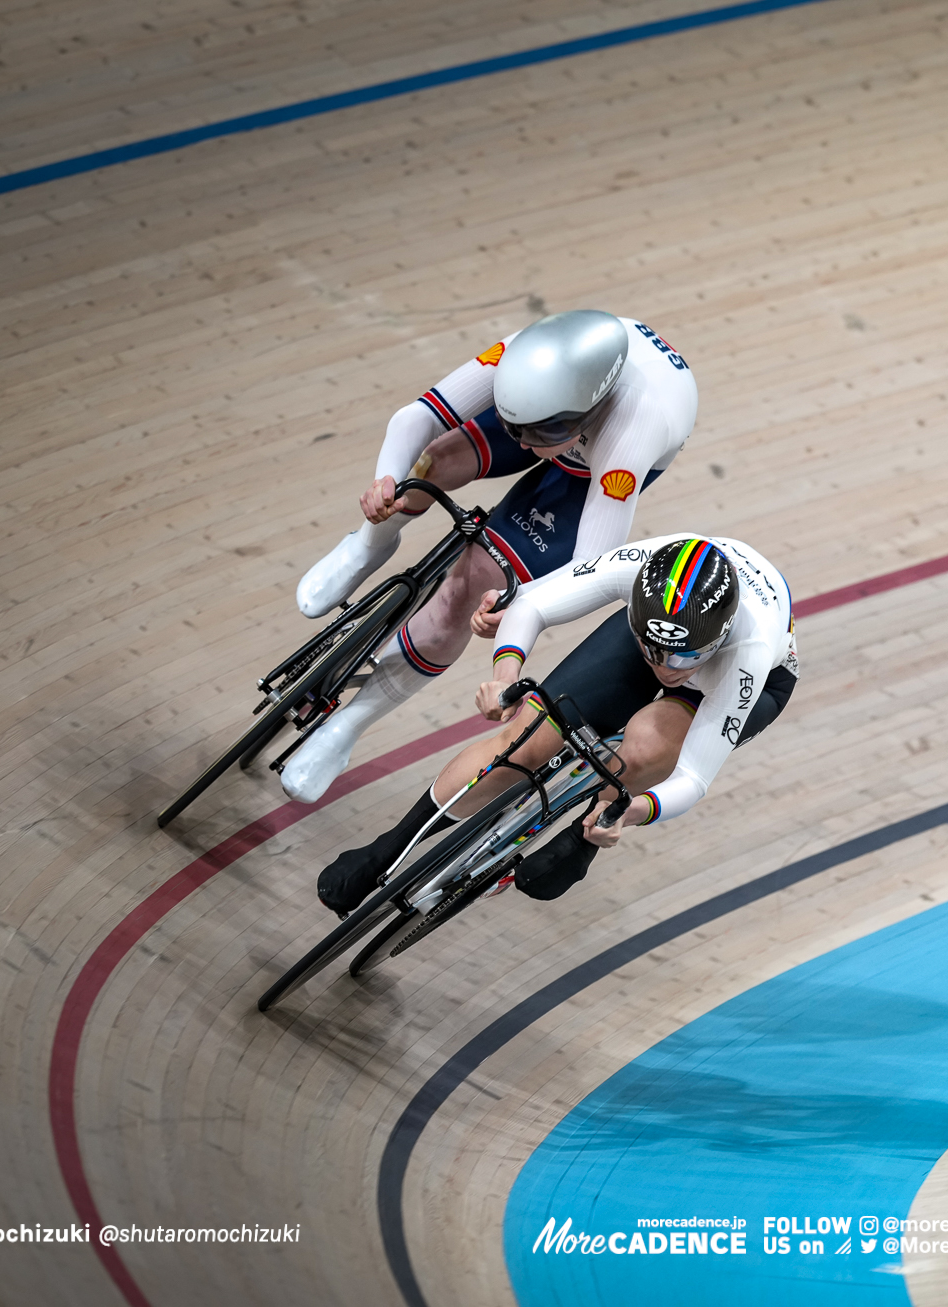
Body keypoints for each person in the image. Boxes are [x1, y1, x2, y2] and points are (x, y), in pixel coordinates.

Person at [282, 310, 697, 801]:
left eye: (538, 434)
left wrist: (517, 602)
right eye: (517, 427)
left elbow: (593, 567)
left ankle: (346, 727)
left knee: (465, 591)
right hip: (560, 419)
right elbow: (416, 417)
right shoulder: (527, 354)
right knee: (433, 460)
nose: (524, 444)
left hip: (590, 470)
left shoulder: (634, 428)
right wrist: (387, 481)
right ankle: (366, 545)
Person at [315, 535, 799, 916]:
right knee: (523, 739)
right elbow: (535, 605)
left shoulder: (749, 652)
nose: (668, 667)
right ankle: (389, 848)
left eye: (685, 655)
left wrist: (627, 815)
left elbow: (694, 777)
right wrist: (505, 677)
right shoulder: (638, 567)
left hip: (736, 683)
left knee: (643, 749)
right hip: (663, 630)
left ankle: (589, 831)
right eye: (657, 650)